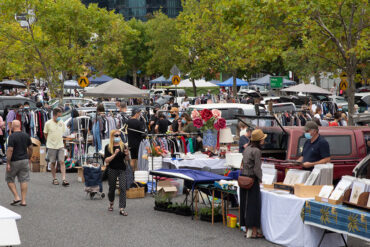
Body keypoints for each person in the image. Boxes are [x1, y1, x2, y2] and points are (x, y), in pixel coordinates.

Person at [240, 129, 265, 239]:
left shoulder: (247, 149)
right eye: (263, 139)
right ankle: (255, 232)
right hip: (252, 180)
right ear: (260, 140)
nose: (264, 140)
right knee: (253, 206)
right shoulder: (256, 151)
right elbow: (257, 168)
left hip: (243, 178)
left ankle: (247, 230)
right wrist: (261, 179)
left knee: (245, 205)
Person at [5, 120, 33, 206]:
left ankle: (16, 196)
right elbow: (31, 148)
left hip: (14, 160)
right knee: (23, 180)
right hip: (24, 159)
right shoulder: (26, 135)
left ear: (13, 126)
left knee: (9, 179)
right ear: (20, 126)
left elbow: (10, 150)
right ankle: (23, 200)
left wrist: (8, 162)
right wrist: (29, 157)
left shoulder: (12, 137)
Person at [104, 130, 130, 216]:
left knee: (123, 188)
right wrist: (114, 154)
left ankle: (122, 208)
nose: (118, 137)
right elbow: (106, 160)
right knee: (112, 188)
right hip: (112, 169)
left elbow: (126, 160)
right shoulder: (108, 147)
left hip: (122, 169)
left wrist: (127, 155)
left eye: (119, 135)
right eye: (116, 135)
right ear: (112, 136)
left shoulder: (123, 146)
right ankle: (111, 202)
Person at [44, 108, 69, 186]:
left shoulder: (61, 122)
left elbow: (64, 131)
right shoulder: (48, 123)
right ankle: (54, 178)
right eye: (58, 116)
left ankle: (64, 179)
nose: (59, 117)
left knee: (62, 161)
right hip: (51, 146)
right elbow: (45, 133)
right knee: (53, 162)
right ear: (54, 115)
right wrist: (49, 141)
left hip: (60, 145)